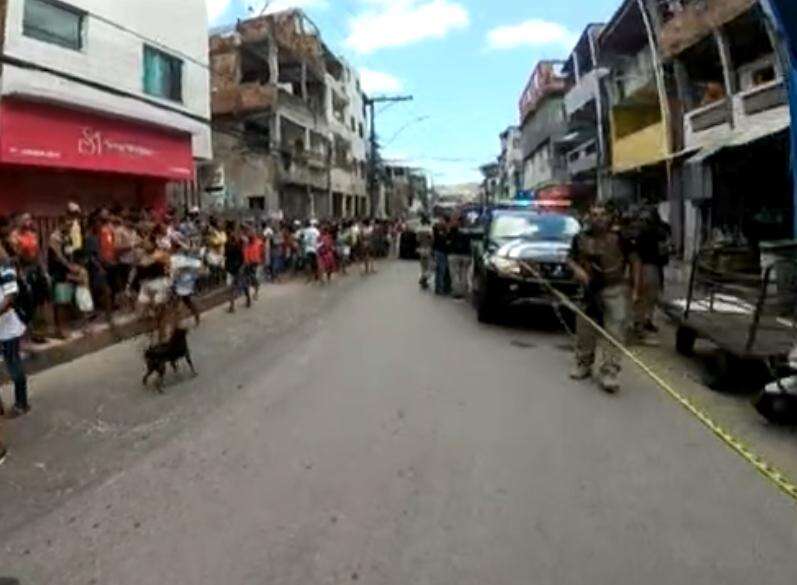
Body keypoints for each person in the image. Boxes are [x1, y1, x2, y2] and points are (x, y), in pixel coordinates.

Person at [567, 204, 641, 393]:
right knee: (585, 330)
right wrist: (578, 271)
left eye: (601, 214)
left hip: (615, 289)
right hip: (589, 291)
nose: (598, 218)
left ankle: (609, 372)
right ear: (588, 217)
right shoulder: (580, 238)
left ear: (608, 217)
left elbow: (635, 261)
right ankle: (583, 364)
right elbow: (569, 259)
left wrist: (635, 290)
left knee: (615, 332)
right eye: (593, 215)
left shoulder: (620, 238)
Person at [0, 241, 30, 419]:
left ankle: (22, 402)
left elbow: (10, 296)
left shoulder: (6, 269)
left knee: (13, 363)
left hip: (7, 326)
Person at [632, 207, 671, 340]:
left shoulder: (643, 231)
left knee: (646, 296)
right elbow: (664, 250)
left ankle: (641, 322)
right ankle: (642, 322)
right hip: (652, 266)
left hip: (648, 265)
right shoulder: (660, 231)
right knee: (649, 296)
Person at [225, 222, 249, 313]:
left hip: (238, 267)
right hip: (231, 267)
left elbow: (242, 257)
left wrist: (242, 266)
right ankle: (232, 306)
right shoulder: (227, 244)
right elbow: (226, 255)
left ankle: (248, 298)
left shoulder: (238, 243)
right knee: (231, 287)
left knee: (242, 284)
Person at [447, 213, 471, 299]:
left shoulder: (453, 229)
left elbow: (448, 239)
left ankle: (457, 292)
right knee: (464, 273)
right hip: (466, 255)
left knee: (454, 274)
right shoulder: (468, 230)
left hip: (454, 254)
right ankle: (464, 291)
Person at [432, 216, 450, 295]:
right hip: (441, 251)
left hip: (438, 251)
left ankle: (438, 287)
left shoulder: (437, 229)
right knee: (441, 270)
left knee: (438, 270)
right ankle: (440, 288)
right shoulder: (441, 230)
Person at [416, 215, 433, 290]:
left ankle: (423, 277)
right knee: (428, 265)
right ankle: (424, 278)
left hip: (421, 248)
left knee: (422, 265)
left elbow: (417, 240)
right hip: (428, 248)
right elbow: (432, 240)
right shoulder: (430, 229)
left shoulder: (419, 229)